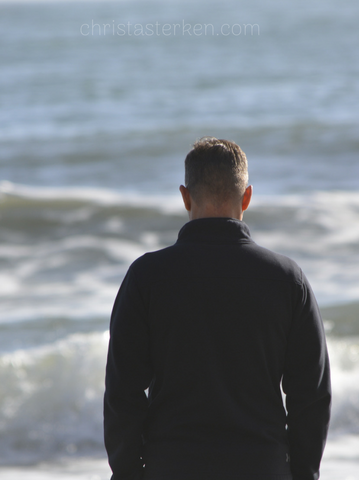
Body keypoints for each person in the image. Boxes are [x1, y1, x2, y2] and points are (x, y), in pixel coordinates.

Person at [104, 137, 331, 480]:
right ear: (247, 197)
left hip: (172, 469)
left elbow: (123, 395)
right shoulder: (287, 281)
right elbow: (311, 398)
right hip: (262, 468)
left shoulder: (146, 278)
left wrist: (130, 475)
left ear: (184, 196)